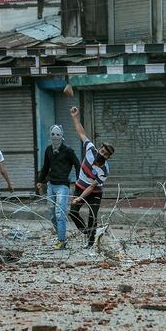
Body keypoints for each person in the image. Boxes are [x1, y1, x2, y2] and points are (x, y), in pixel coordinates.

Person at [68, 107, 114, 249]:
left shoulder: (104, 170)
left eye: (105, 154)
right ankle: (88, 234)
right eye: (102, 150)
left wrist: (80, 198)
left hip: (94, 193)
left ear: (108, 157)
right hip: (80, 187)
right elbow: (81, 133)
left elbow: (92, 186)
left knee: (92, 217)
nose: (101, 154)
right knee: (73, 212)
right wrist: (75, 117)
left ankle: (90, 243)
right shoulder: (90, 149)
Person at [36, 124, 81, 249]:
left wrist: (78, 182)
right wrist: (41, 180)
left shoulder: (68, 151)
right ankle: (60, 237)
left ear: (62, 136)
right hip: (51, 185)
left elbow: (78, 165)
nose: (55, 137)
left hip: (63, 186)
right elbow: (45, 167)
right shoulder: (48, 150)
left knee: (60, 213)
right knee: (52, 214)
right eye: (53, 134)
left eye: (58, 134)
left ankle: (61, 241)